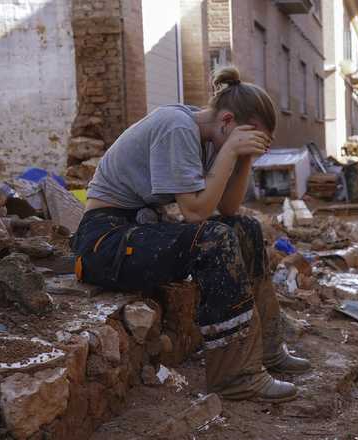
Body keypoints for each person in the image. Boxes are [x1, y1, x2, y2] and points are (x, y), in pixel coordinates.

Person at [71, 67, 311, 403]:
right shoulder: (177, 127)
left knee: (245, 228)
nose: (247, 144)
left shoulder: (211, 136)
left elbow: (228, 209)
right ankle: (236, 377)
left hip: (140, 229)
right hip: (104, 241)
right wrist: (230, 152)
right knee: (213, 238)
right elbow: (195, 213)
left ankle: (269, 349)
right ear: (227, 121)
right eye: (248, 136)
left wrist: (243, 159)